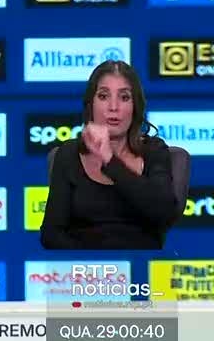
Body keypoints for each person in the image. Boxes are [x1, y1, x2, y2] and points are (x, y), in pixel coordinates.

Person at [40, 60, 180, 250]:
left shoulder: (154, 151)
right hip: (84, 266)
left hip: (140, 265)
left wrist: (110, 161)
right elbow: (51, 235)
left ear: (135, 106)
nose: (113, 107)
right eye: (103, 96)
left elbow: (164, 214)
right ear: (91, 104)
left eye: (124, 97)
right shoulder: (69, 154)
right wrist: (98, 264)